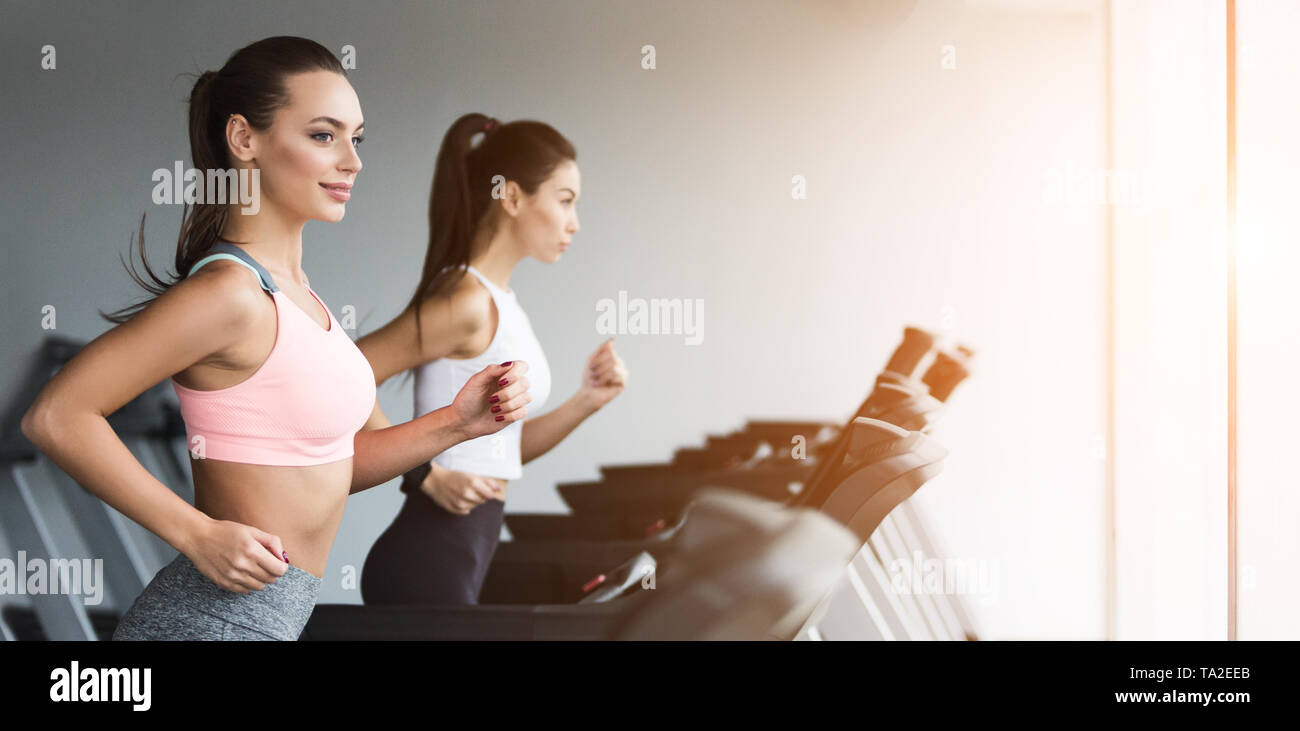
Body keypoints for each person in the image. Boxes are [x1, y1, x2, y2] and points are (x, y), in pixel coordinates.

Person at [19, 37, 531, 640]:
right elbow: (56, 416)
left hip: (269, 622)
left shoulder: (302, 298)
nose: (352, 160)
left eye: (355, 138)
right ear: (244, 140)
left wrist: (458, 422)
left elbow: (330, 468)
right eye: (323, 135)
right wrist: (197, 533)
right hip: (211, 624)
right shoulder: (229, 295)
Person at [358, 113, 628, 605]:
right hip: (429, 556)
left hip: (466, 548)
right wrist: (424, 475)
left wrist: (589, 400)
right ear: (513, 196)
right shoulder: (465, 300)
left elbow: (502, 451)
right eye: (565, 201)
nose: (575, 222)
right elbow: (344, 375)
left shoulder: (501, 302)